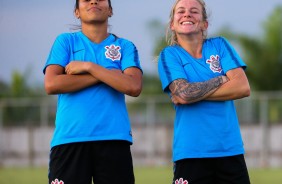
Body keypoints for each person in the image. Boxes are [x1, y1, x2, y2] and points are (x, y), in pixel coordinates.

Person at [43, 0, 143, 183]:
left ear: (110, 10)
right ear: (76, 12)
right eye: (86, 0)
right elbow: (51, 84)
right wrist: (107, 75)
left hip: (114, 140)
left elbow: (133, 86)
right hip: (70, 139)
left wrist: (88, 66)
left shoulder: (125, 46)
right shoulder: (65, 41)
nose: (94, 1)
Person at [158, 0, 251, 183]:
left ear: (204, 23)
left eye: (194, 11)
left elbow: (242, 87)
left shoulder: (219, 45)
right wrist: (221, 79)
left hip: (229, 150)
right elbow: (183, 94)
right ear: (172, 24)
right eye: (181, 11)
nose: (187, 14)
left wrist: (190, 93)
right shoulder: (169, 55)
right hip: (191, 152)